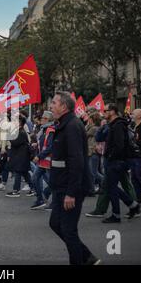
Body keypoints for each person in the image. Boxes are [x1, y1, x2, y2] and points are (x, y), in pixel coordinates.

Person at [48, 92, 99, 265]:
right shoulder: (64, 124)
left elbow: (77, 162)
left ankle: (80, 260)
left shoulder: (72, 126)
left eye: (54, 103)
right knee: (56, 224)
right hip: (60, 186)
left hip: (70, 189)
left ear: (64, 106)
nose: (51, 106)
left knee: (68, 231)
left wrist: (71, 193)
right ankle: (87, 256)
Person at [100, 104, 140, 223]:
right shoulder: (115, 124)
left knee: (111, 188)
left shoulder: (118, 125)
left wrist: (111, 157)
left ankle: (116, 215)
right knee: (110, 187)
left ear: (112, 112)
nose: (104, 113)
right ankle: (132, 205)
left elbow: (119, 145)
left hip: (116, 161)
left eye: (105, 111)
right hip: (116, 160)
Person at [31, 111, 55, 209]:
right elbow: (44, 144)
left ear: (49, 120)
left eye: (43, 118)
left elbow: (50, 147)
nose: (41, 120)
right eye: (42, 118)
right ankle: (40, 199)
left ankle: (53, 201)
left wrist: (39, 156)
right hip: (43, 161)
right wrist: (37, 145)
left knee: (52, 182)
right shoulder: (44, 130)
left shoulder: (51, 130)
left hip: (48, 161)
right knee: (35, 178)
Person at [6, 116, 35, 197]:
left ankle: (16, 191)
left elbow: (15, 143)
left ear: (20, 122)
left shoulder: (21, 132)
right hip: (21, 155)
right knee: (24, 173)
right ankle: (33, 188)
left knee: (18, 172)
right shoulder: (19, 131)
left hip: (21, 156)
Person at [86, 112, 104, 194]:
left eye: (89, 118)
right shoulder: (94, 127)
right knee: (94, 171)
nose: (87, 120)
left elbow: (84, 134)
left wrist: (86, 125)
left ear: (92, 120)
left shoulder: (93, 128)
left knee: (93, 172)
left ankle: (106, 182)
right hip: (92, 151)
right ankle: (93, 189)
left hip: (93, 151)